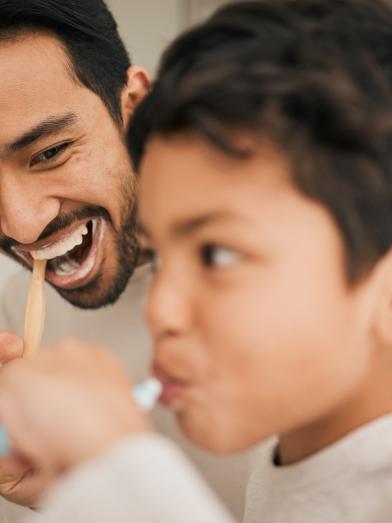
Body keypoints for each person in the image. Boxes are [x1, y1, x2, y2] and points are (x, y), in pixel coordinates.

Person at [3, 0, 392, 521]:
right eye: (160, 251)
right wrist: (75, 484)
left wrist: (116, 470)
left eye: (217, 254)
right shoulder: (294, 478)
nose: (159, 310)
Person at [0, 1, 251, 521]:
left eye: (49, 153)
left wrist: (113, 467)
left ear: (135, 106)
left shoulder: (300, 286)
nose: (20, 226)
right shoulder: (10, 309)